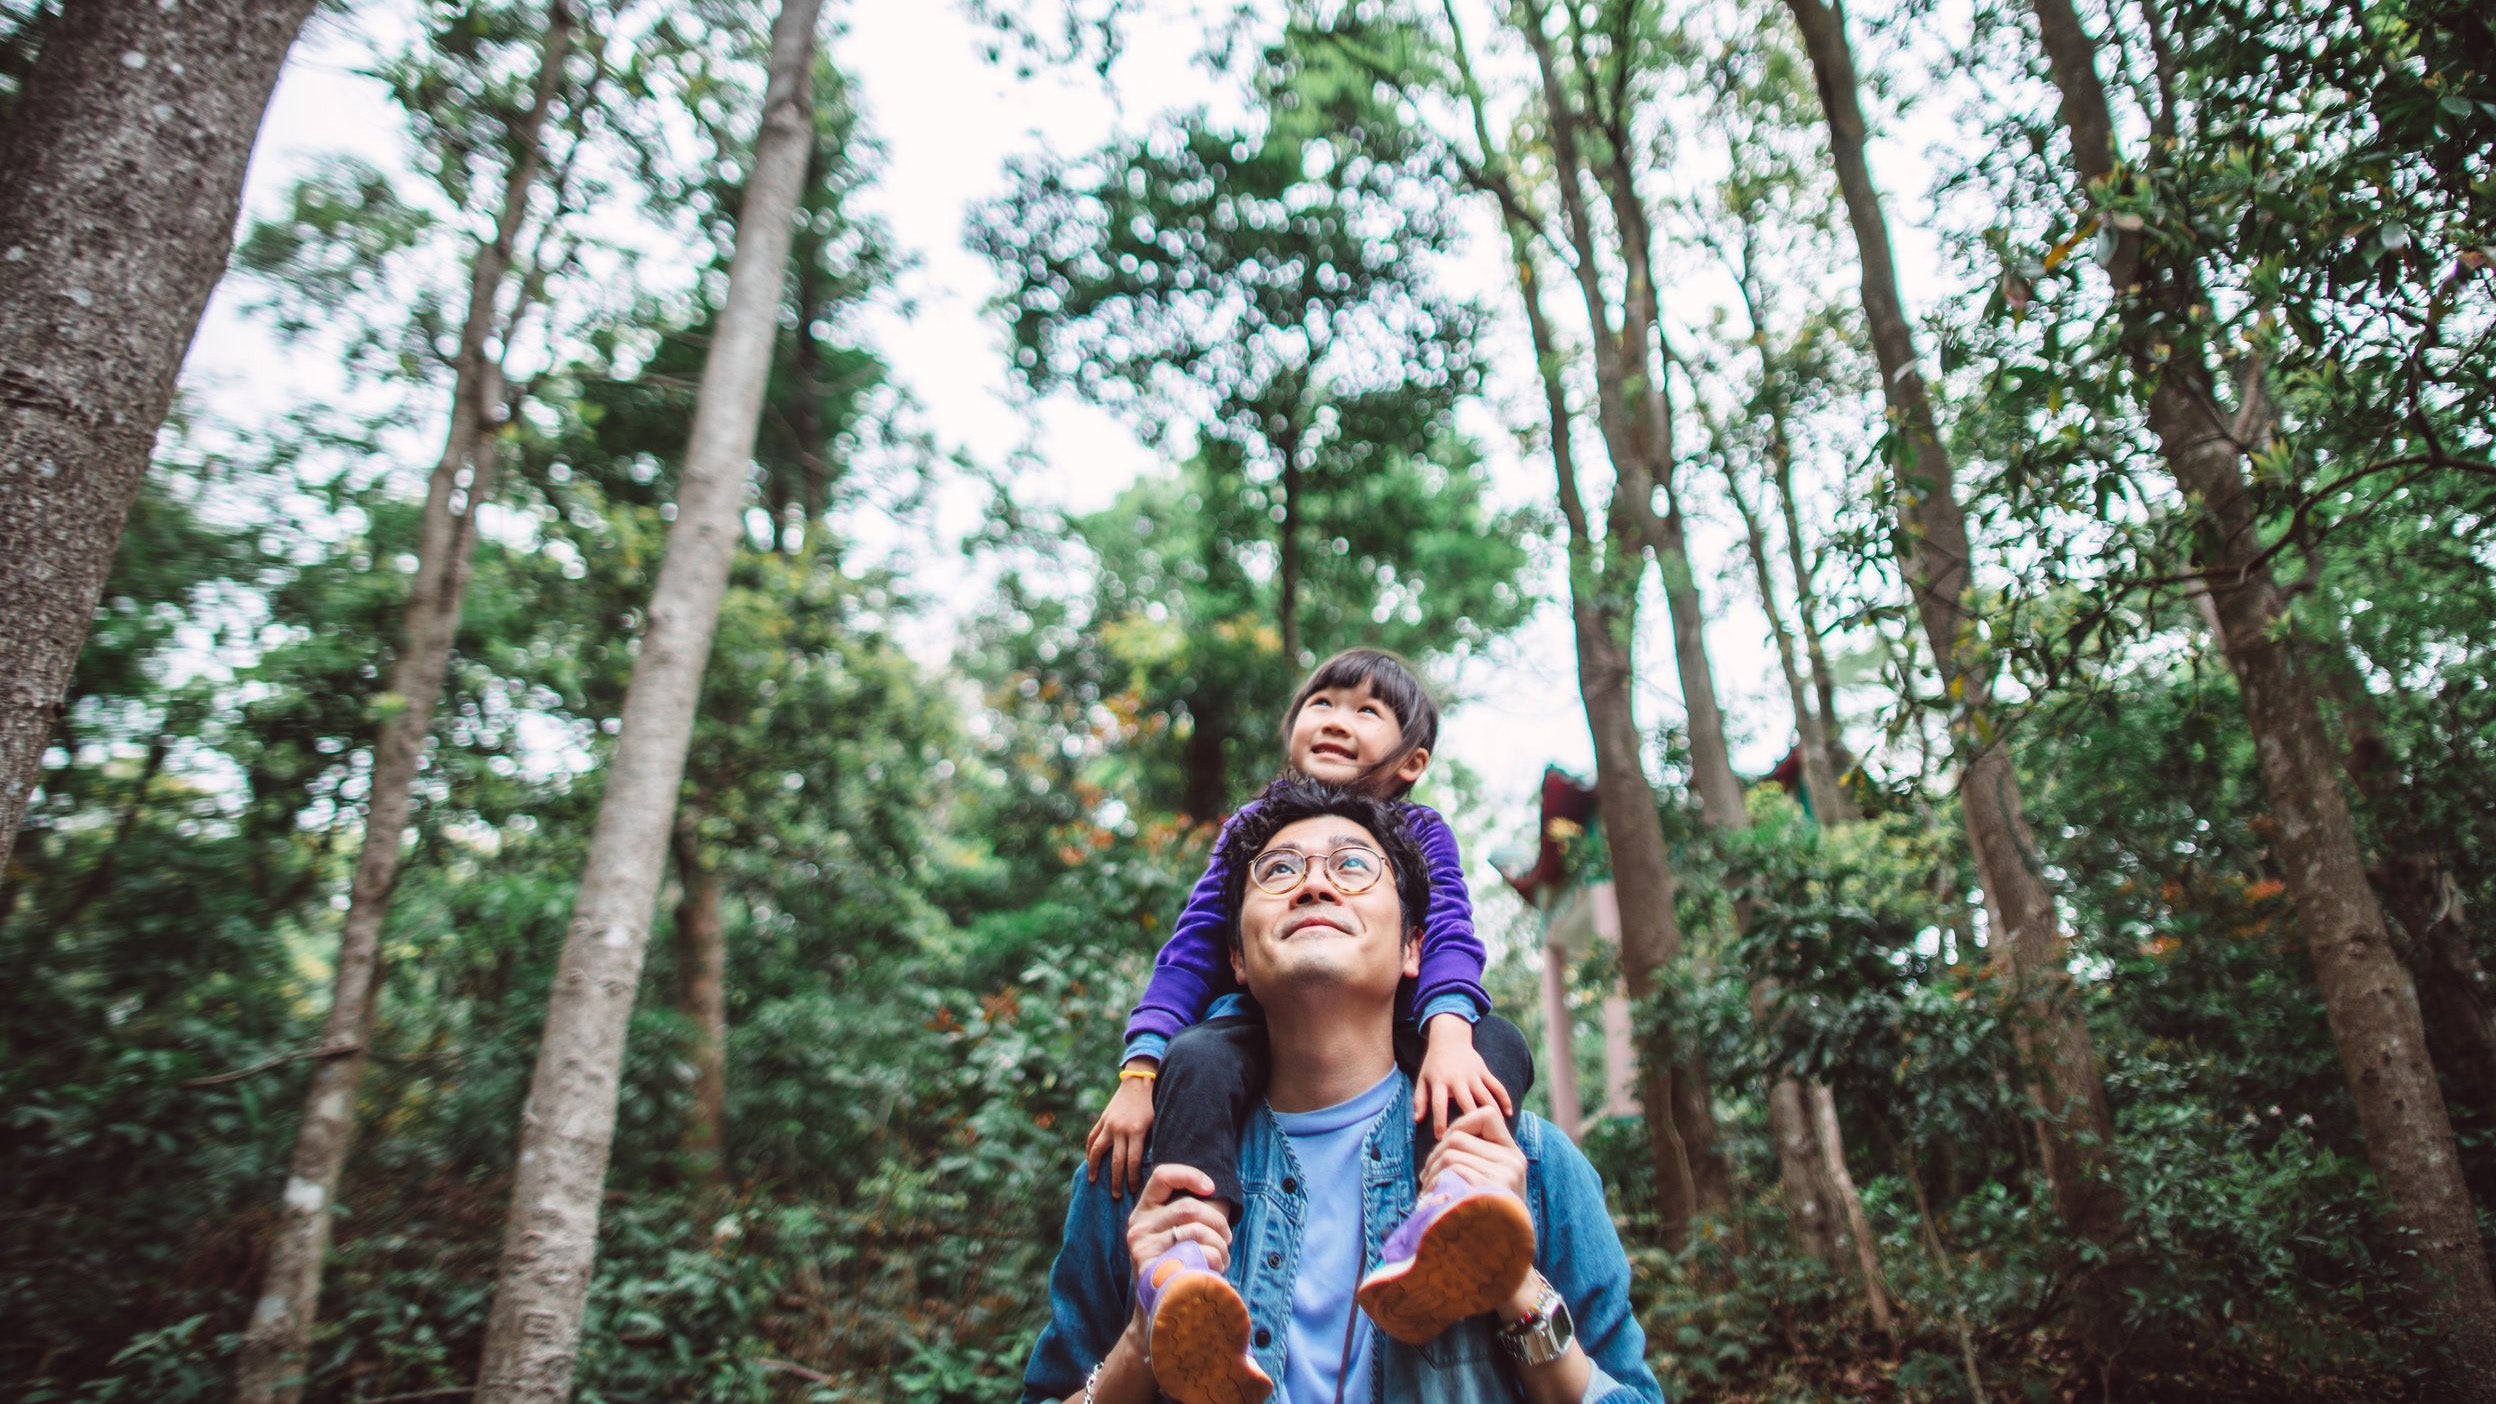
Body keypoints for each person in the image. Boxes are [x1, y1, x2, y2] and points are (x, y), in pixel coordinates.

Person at [1024, 778, 1666, 1404]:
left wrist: (1515, 1284)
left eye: (1354, 865)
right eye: (1277, 872)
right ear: (1238, 961)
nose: (1314, 883)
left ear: (1415, 948)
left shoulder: (1531, 1165)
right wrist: (1142, 1345)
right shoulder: (1141, 1177)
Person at [1087, 649, 1538, 1221]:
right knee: (1195, 1058)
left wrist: (1448, 1032)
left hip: (1399, 1017)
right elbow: (1193, 948)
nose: (1334, 720)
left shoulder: (1420, 830)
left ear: (1412, 762)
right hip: (1259, 1022)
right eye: (1320, 703)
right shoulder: (1254, 828)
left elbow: (1448, 931)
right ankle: (1186, 1249)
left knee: (1494, 1043)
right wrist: (1141, 1067)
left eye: (1367, 711)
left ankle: (1455, 1206)